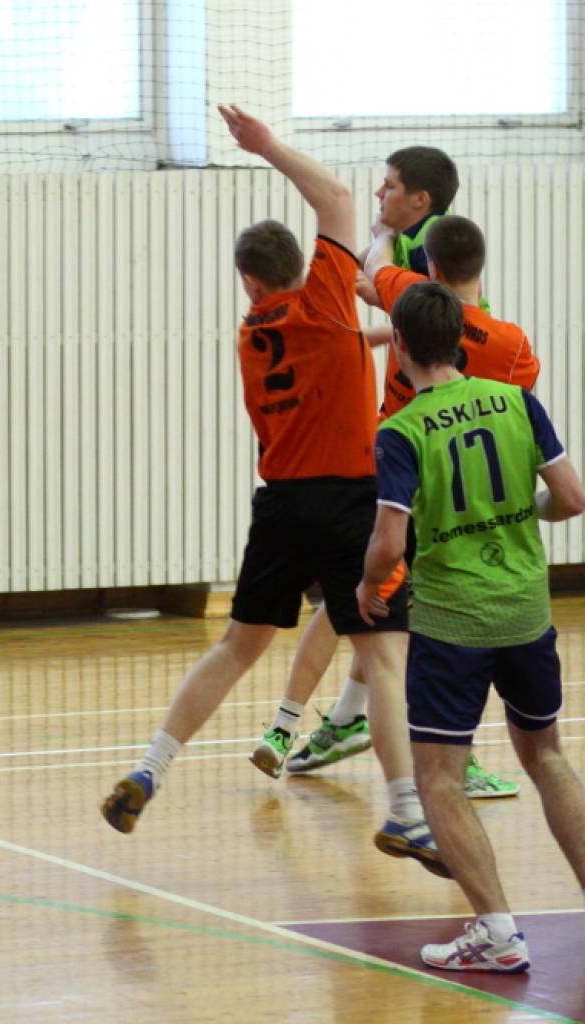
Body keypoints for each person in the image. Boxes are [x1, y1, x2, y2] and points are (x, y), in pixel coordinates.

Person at [101, 105, 447, 878]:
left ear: (250, 281)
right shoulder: (328, 299)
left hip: (281, 504)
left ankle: (151, 767)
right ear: (307, 265)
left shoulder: (253, 332)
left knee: (237, 646)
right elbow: (336, 200)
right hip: (350, 500)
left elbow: (349, 336)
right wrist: (266, 147)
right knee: (385, 658)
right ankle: (405, 810)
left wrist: (392, 317)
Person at [254, 160, 521, 798]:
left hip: (408, 452)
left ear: (421, 200)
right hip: (418, 461)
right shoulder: (489, 326)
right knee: (410, 610)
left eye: (391, 184)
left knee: (373, 603)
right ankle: (427, 749)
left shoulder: (411, 269)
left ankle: (318, 723)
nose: (380, 192)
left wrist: (376, 253)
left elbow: (370, 279)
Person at [357, 280, 585, 971]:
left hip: (453, 623)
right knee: (547, 757)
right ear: (459, 339)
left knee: (438, 780)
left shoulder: (401, 431)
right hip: (526, 611)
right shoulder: (517, 402)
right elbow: (571, 498)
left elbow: (390, 542)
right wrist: (522, 511)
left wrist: (367, 583)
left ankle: (498, 934)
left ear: (399, 346)